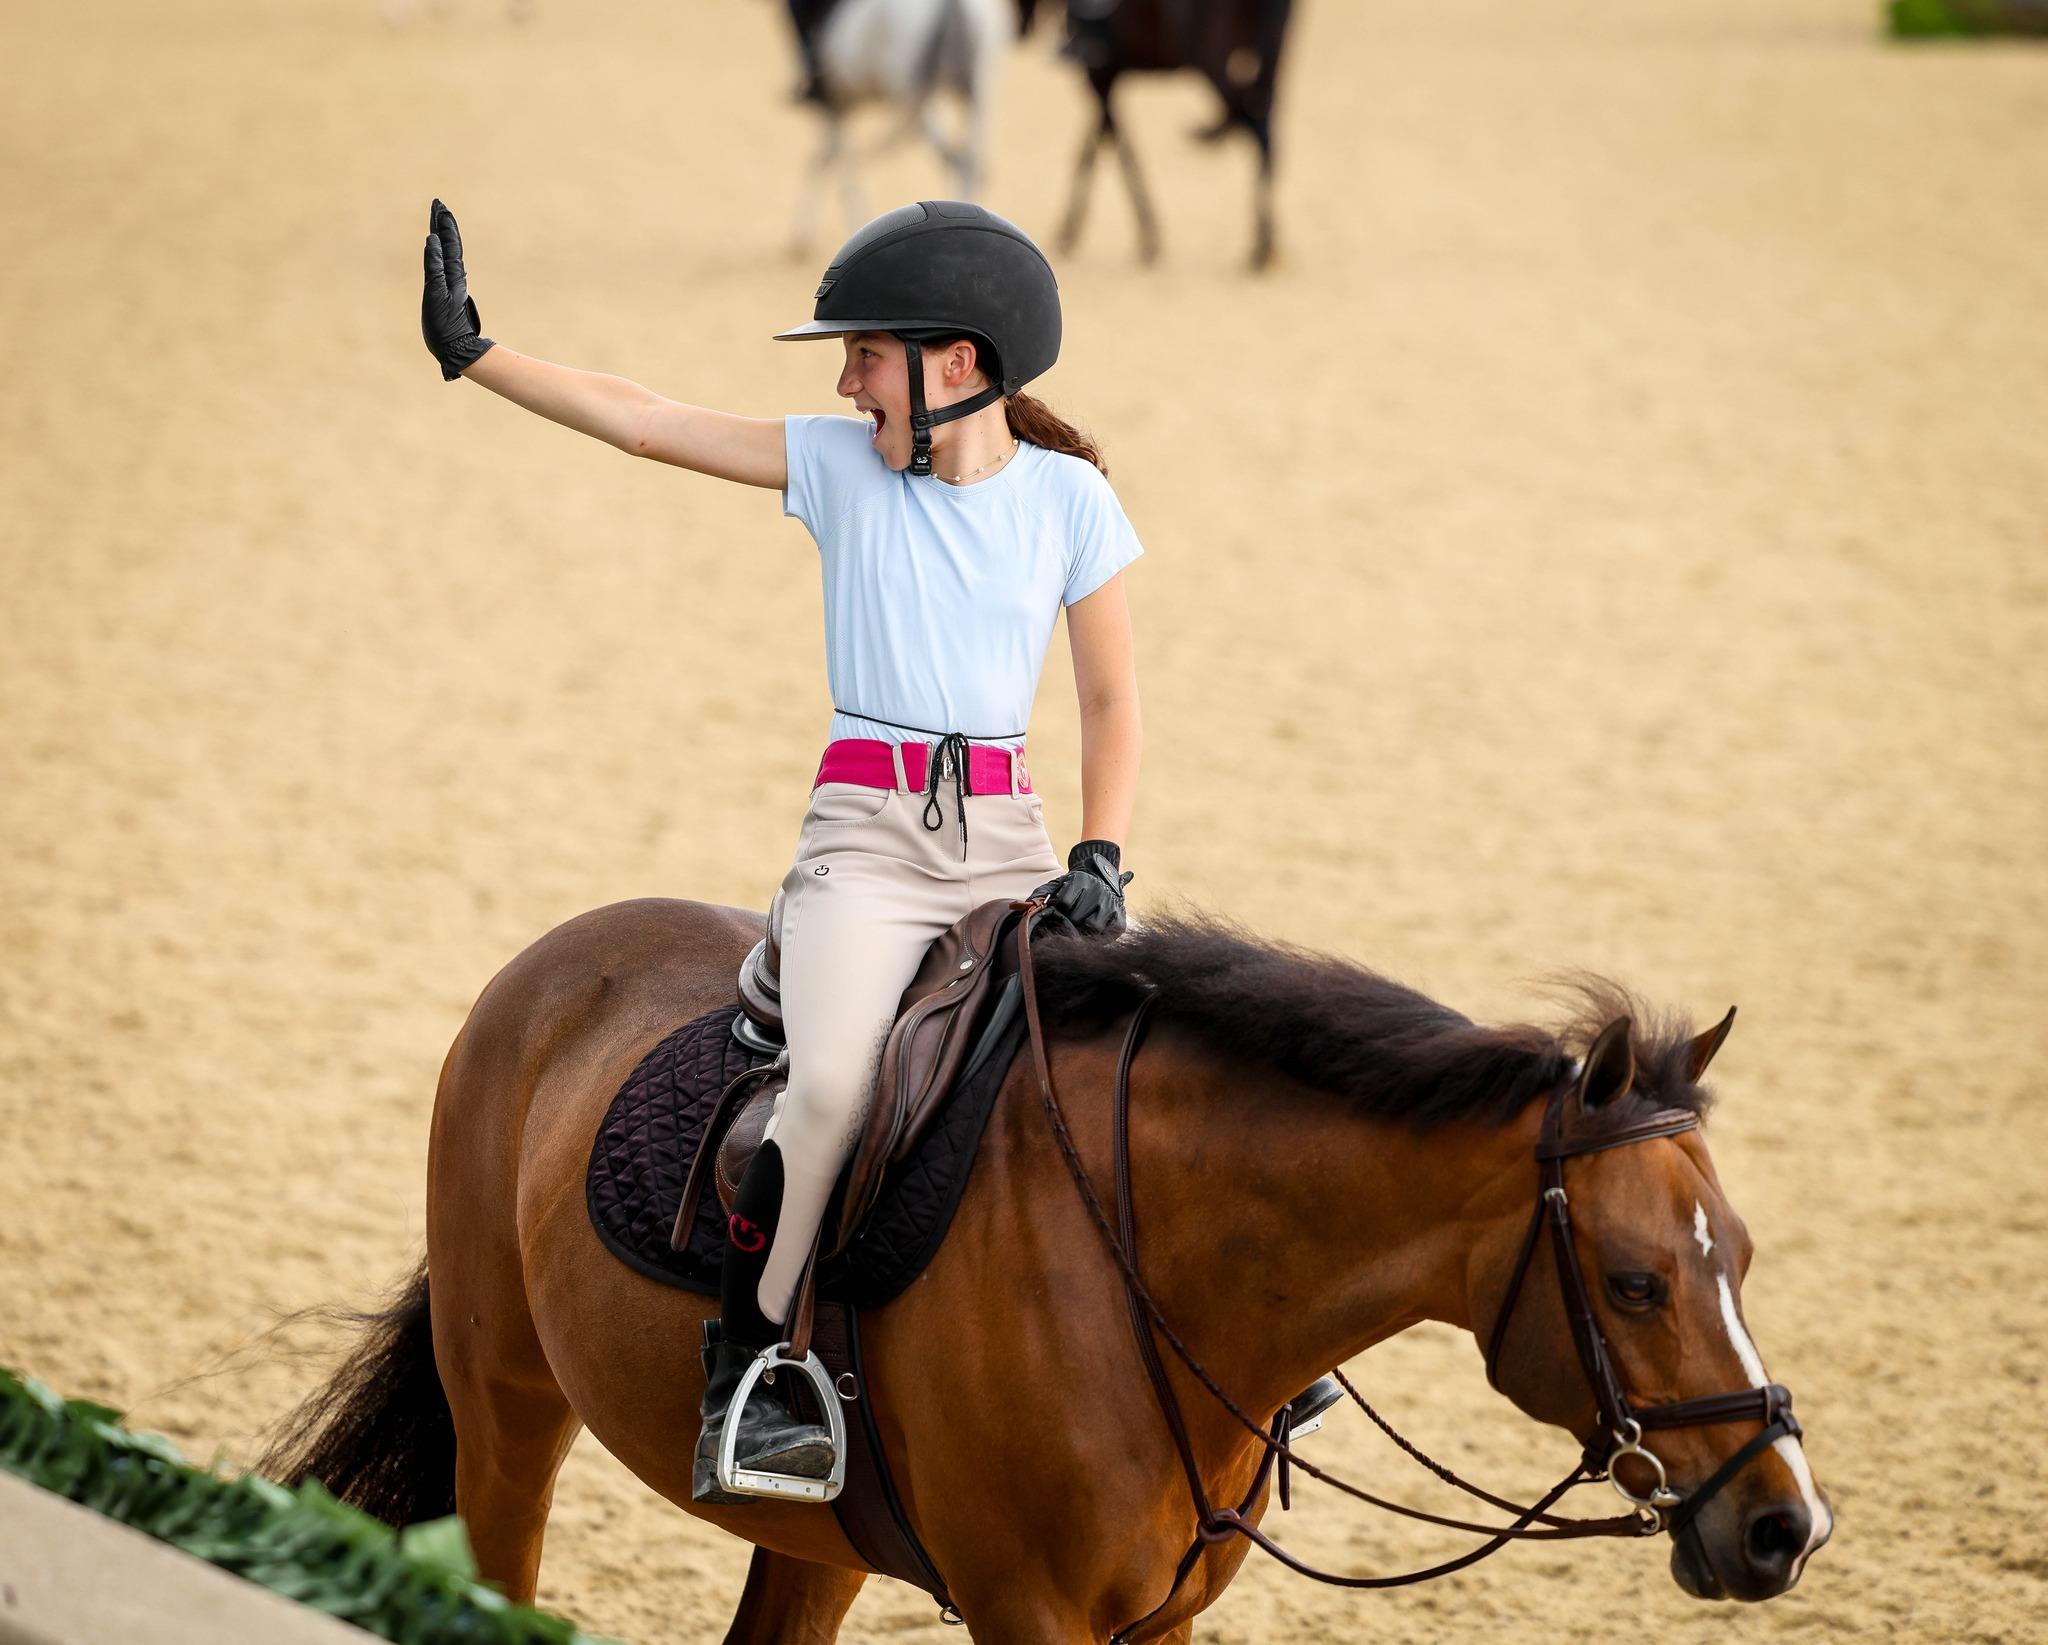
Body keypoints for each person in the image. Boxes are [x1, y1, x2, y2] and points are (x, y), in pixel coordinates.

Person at [420, 198, 1144, 1502]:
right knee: (824, 1091)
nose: (842, 379)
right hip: (866, 843)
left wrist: (1100, 853)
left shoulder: (1072, 501)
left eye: (864, 353)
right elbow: (646, 418)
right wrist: (482, 357)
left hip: (1014, 839)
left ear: (956, 365)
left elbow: (1111, 702)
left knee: (1137, 1051)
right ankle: (755, 1366)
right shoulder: (839, 467)